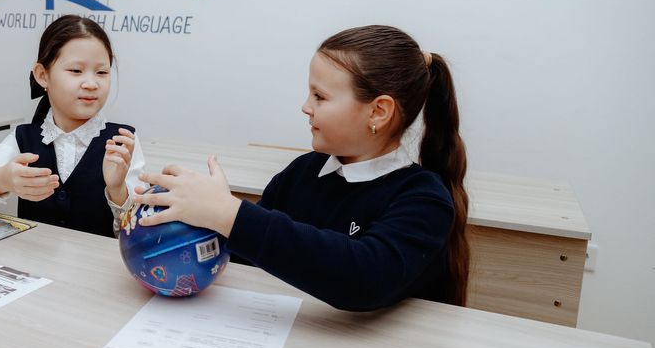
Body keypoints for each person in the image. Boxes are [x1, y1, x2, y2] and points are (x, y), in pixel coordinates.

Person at [133, 25, 470, 310]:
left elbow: (365, 278)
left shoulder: (424, 199)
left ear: (378, 112)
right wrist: (194, 223)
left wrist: (229, 214)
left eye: (320, 97)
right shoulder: (302, 174)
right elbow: (248, 256)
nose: (305, 107)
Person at [0, 15, 144, 237]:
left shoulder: (122, 141)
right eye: (76, 70)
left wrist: (117, 190)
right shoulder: (24, 137)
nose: (91, 84)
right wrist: (2, 179)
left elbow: (139, 231)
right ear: (43, 75)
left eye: (102, 72)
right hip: (31, 257)